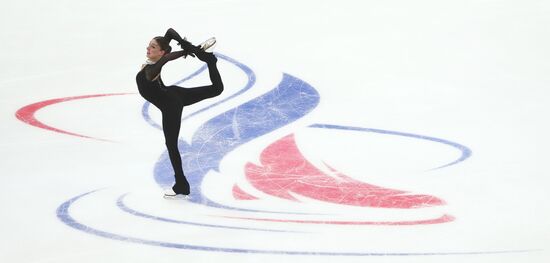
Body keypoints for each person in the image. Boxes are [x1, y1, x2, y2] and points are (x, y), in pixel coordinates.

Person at [136, 28, 223, 199]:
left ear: (161, 52)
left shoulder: (150, 72)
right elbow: (169, 33)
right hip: (174, 93)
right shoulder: (153, 62)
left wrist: (188, 49)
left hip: (171, 105)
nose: (148, 48)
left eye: (153, 47)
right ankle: (210, 60)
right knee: (217, 89)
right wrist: (189, 47)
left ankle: (181, 185)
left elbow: (166, 58)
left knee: (172, 145)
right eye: (149, 45)